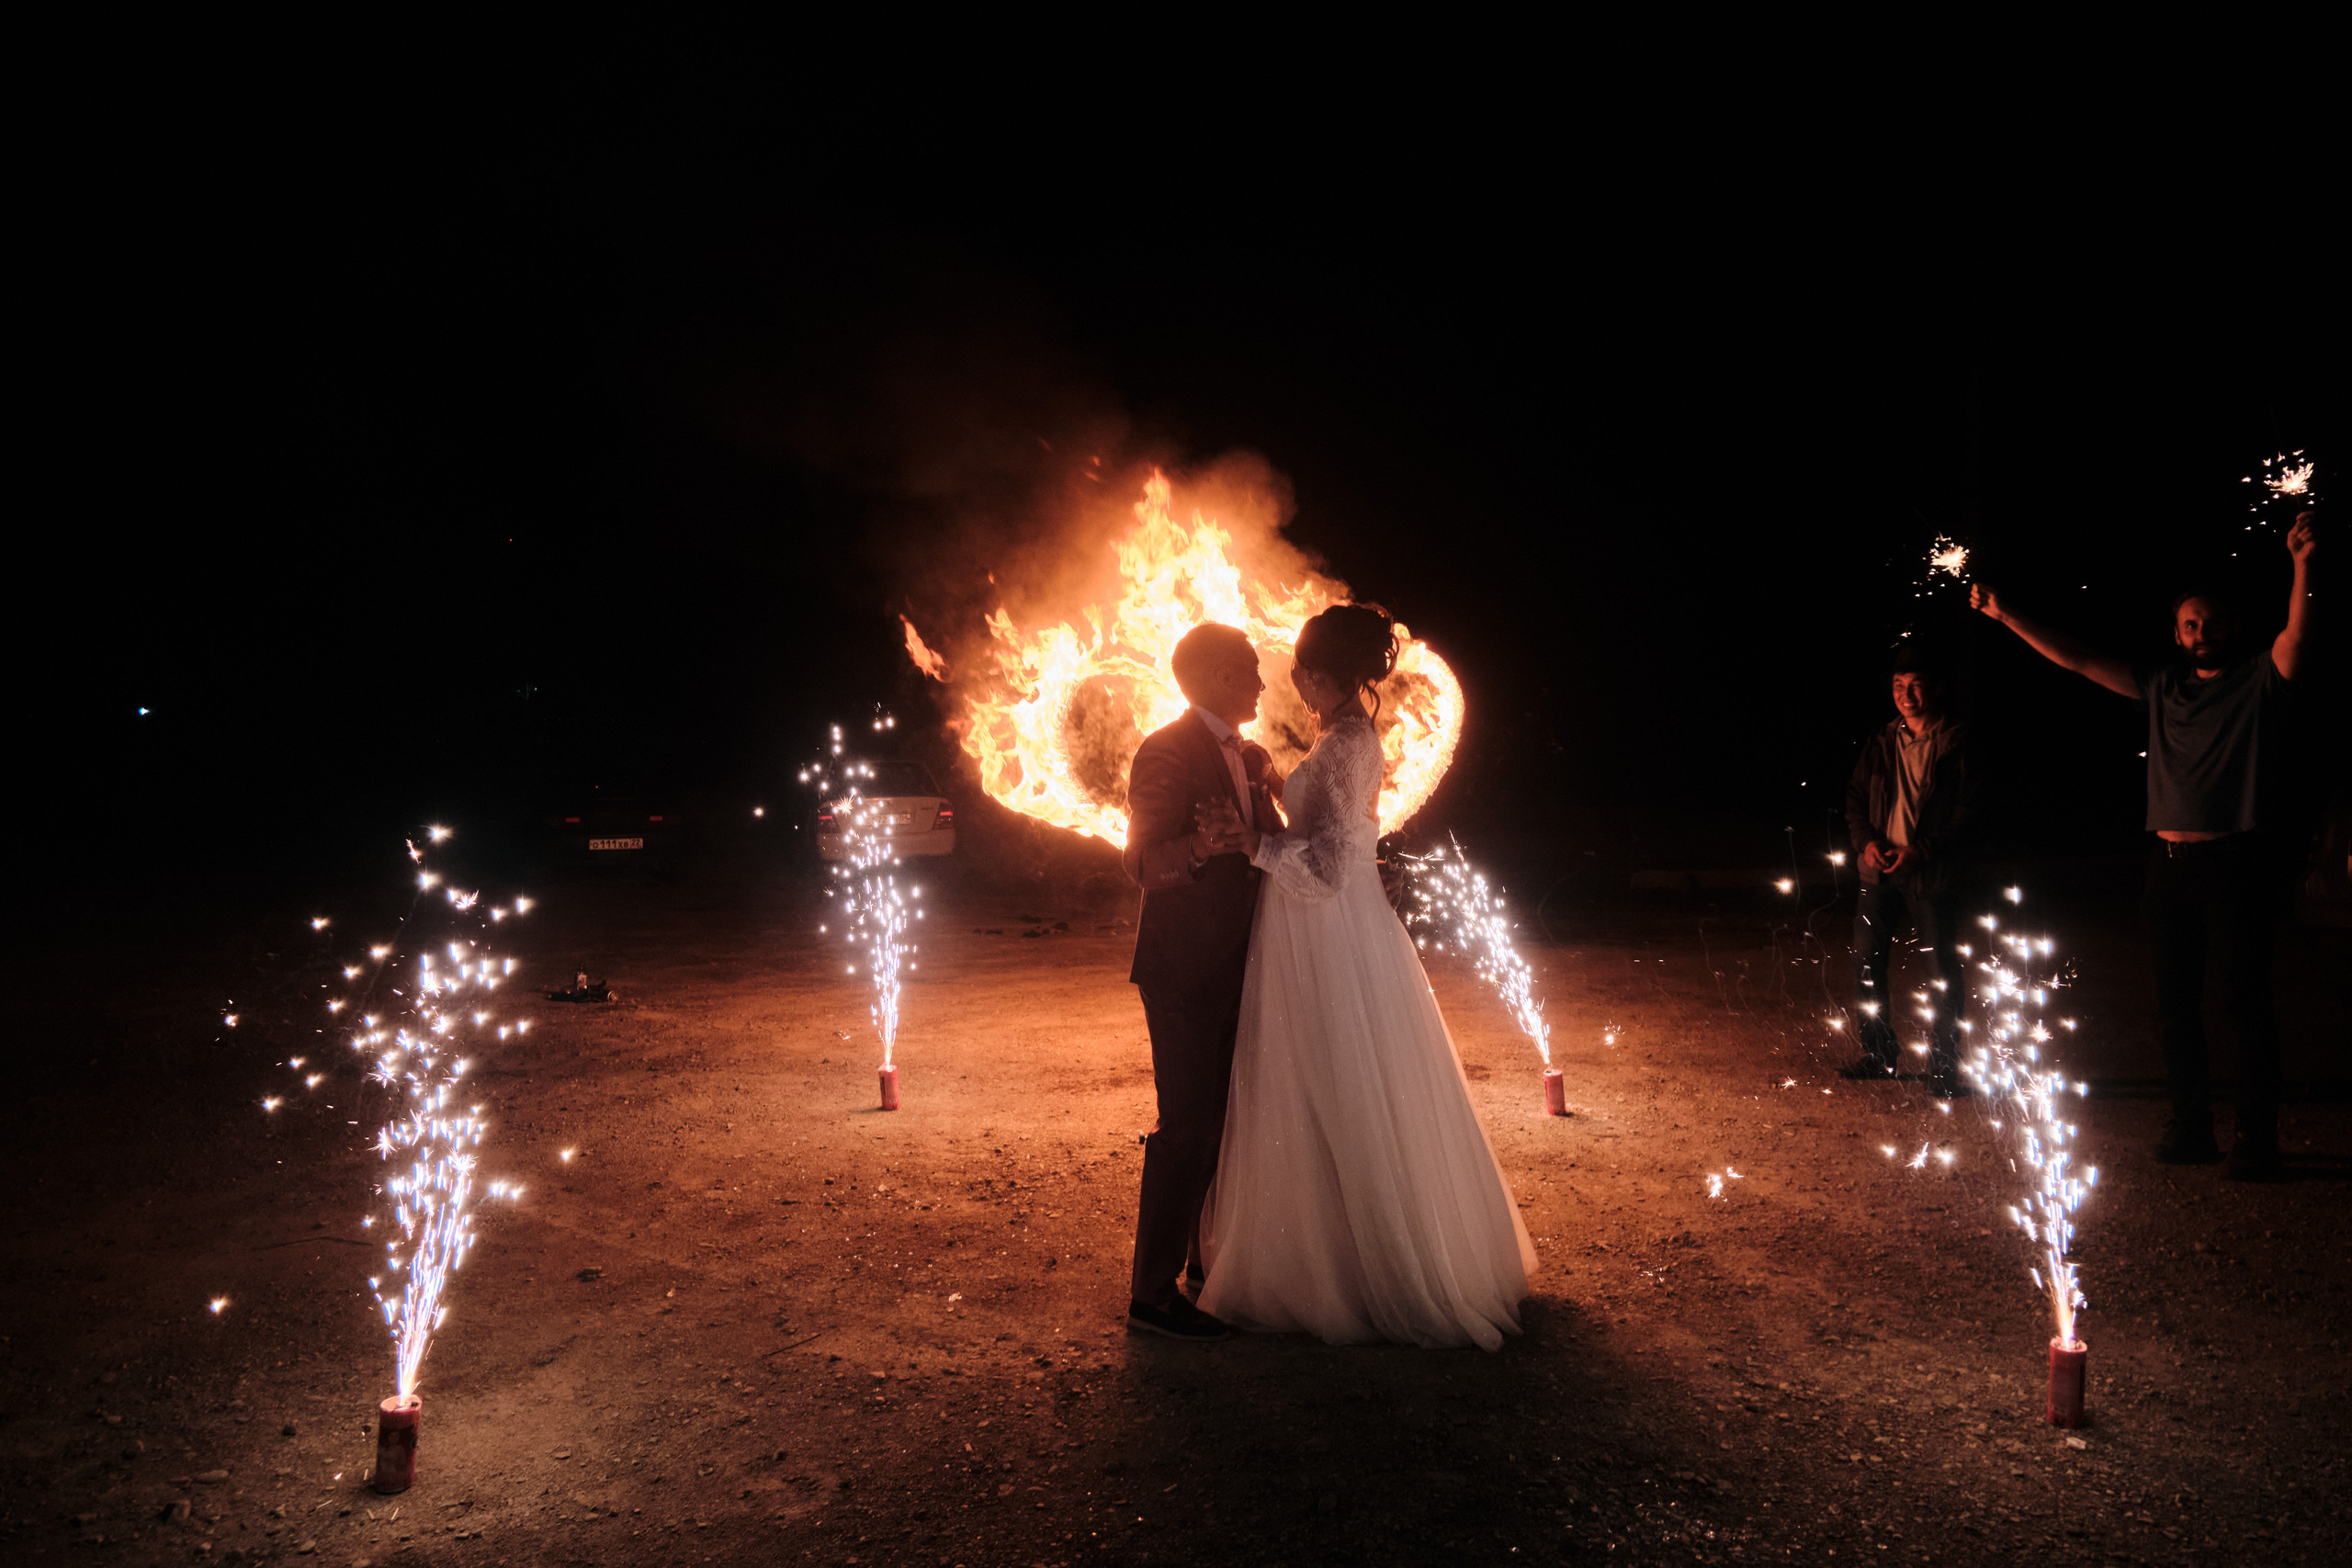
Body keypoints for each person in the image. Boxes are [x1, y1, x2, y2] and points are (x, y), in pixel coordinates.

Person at [1193, 604, 1535, 1349]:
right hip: (1317, 933)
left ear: (1327, 675)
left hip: (1327, 934)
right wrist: (1278, 783)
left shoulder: (1349, 744)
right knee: (1323, 1081)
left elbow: (1327, 868)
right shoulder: (1338, 738)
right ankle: (1330, 1248)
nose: (1297, 688)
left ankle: (1357, 1266)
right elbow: (1325, 820)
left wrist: (1250, 842)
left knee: (1338, 1078)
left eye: (1303, 677)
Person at [1971, 511, 2322, 1179]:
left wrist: (2304, 563)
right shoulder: (2162, 686)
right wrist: (2005, 615)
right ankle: (2192, 1127)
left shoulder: (2257, 681)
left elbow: (2298, 640)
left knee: (2243, 1003)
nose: (2201, 632)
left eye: (2211, 622)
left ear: (2232, 628)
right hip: (2166, 865)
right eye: (2189, 624)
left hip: (2232, 864)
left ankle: (2256, 1139)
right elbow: (2076, 658)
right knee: (2174, 1007)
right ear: (2177, 633)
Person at [1118, 622, 1283, 1341]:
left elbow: (1267, 843)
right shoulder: (1166, 749)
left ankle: (1200, 1263)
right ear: (1220, 676)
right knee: (1185, 1123)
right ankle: (1150, 1296)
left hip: (1238, 961)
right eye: (1250, 669)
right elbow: (1141, 860)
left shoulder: (1244, 754)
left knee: (1220, 1120)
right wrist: (1197, 847)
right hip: (1183, 969)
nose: (1261, 680)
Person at [1839, 646, 1978, 1097]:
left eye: (1915, 684)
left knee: (1941, 969)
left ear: (1936, 688)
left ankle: (1944, 1068)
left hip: (1928, 873)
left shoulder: (1956, 742)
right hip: (1878, 871)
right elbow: (1856, 800)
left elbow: (1966, 814)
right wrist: (1867, 843)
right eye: (1899, 686)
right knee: (1865, 962)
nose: (1906, 694)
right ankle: (1878, 1055)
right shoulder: (1882, 741)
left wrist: (1923, 851)